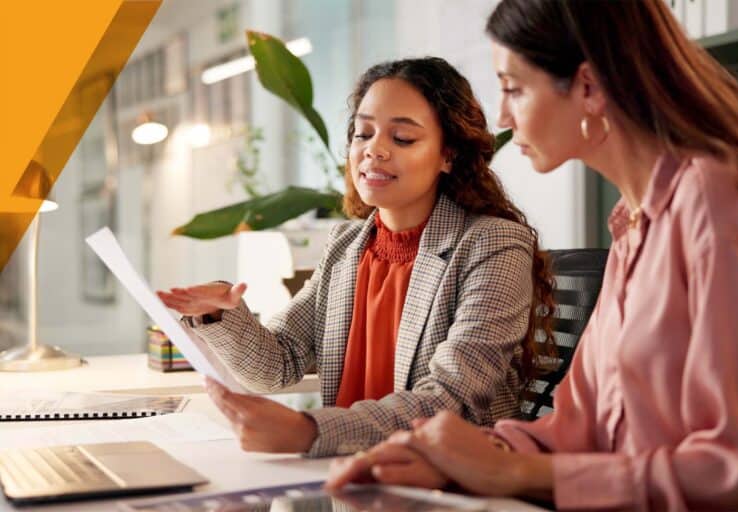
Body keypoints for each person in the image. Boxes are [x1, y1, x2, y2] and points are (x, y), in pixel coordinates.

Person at [326, 0, 738, 509]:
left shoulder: (714, 202)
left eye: (513, 87)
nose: (504, 115)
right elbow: (580, 426)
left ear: (588, 87)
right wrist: (457, 456)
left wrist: (514, 470)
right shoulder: (633, 224)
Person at [158, 57, 554, 458]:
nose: (373, 150)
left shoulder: (493, 244)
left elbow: (449, 400)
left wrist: (307, 431)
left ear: (447, 155)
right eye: (363, 133)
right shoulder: (346, 245)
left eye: (402, 138)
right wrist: (220, 312)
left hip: (445, 484)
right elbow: (279, 364)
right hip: (351, 479)